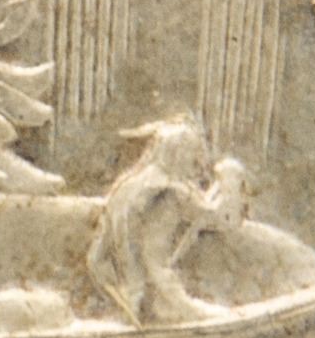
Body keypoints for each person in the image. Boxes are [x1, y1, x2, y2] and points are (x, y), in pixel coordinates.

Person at [87, 116, 249, 325]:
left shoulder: (125, 189)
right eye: (194, 153)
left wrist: (121, 295)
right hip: (162, 306)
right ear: (178, 153)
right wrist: (229, 178)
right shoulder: (168, 191)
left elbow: (96, 260)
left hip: (132, 302)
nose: (199, 162)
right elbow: (222, 218)